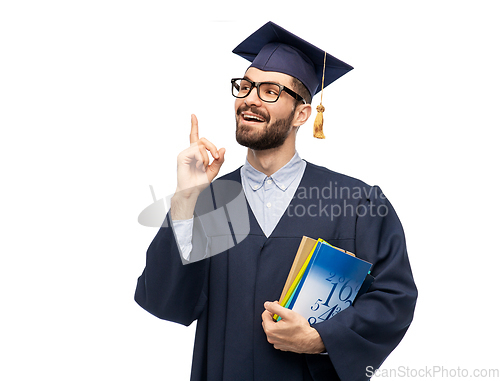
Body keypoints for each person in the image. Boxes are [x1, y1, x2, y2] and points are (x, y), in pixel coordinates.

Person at [135, 21, 417, 381]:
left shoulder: (355, 203)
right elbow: (164, 302)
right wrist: (185, 201)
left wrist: (320, 338)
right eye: (245, 86)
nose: (250, 98)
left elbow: (395, 298)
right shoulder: (210, 203)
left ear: (302, 114)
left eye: (270, 91)